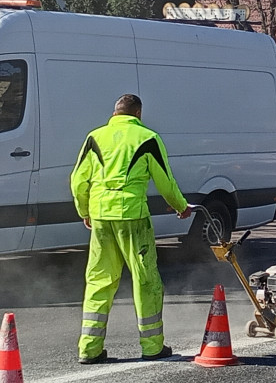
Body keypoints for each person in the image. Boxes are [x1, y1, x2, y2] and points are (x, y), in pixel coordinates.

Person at [71, 94, 192, 365]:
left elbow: (78, 180)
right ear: (138, 114)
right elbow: (165, 180)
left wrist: (85, 211)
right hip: (133, 217)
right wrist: (180, 206)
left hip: (101, 216)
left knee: (99, 281)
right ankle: (151, 346)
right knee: (145, 280)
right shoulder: (147, 137)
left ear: (115, 113)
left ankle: (89, 349)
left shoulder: (94, 137)